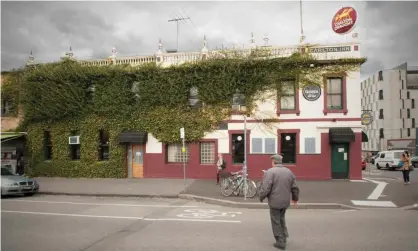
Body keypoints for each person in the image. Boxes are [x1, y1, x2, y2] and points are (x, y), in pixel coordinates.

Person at [259, 154, 299, 250]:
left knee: (275, 220)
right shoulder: (289, 172)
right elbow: (294, 187)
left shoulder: (270, 172)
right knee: (281, 218)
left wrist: (261, 196)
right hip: (285, 201)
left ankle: (280, 241)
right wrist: (295, 198)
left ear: (273, 161)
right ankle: (284, 236)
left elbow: (266, 187)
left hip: (275, 201)